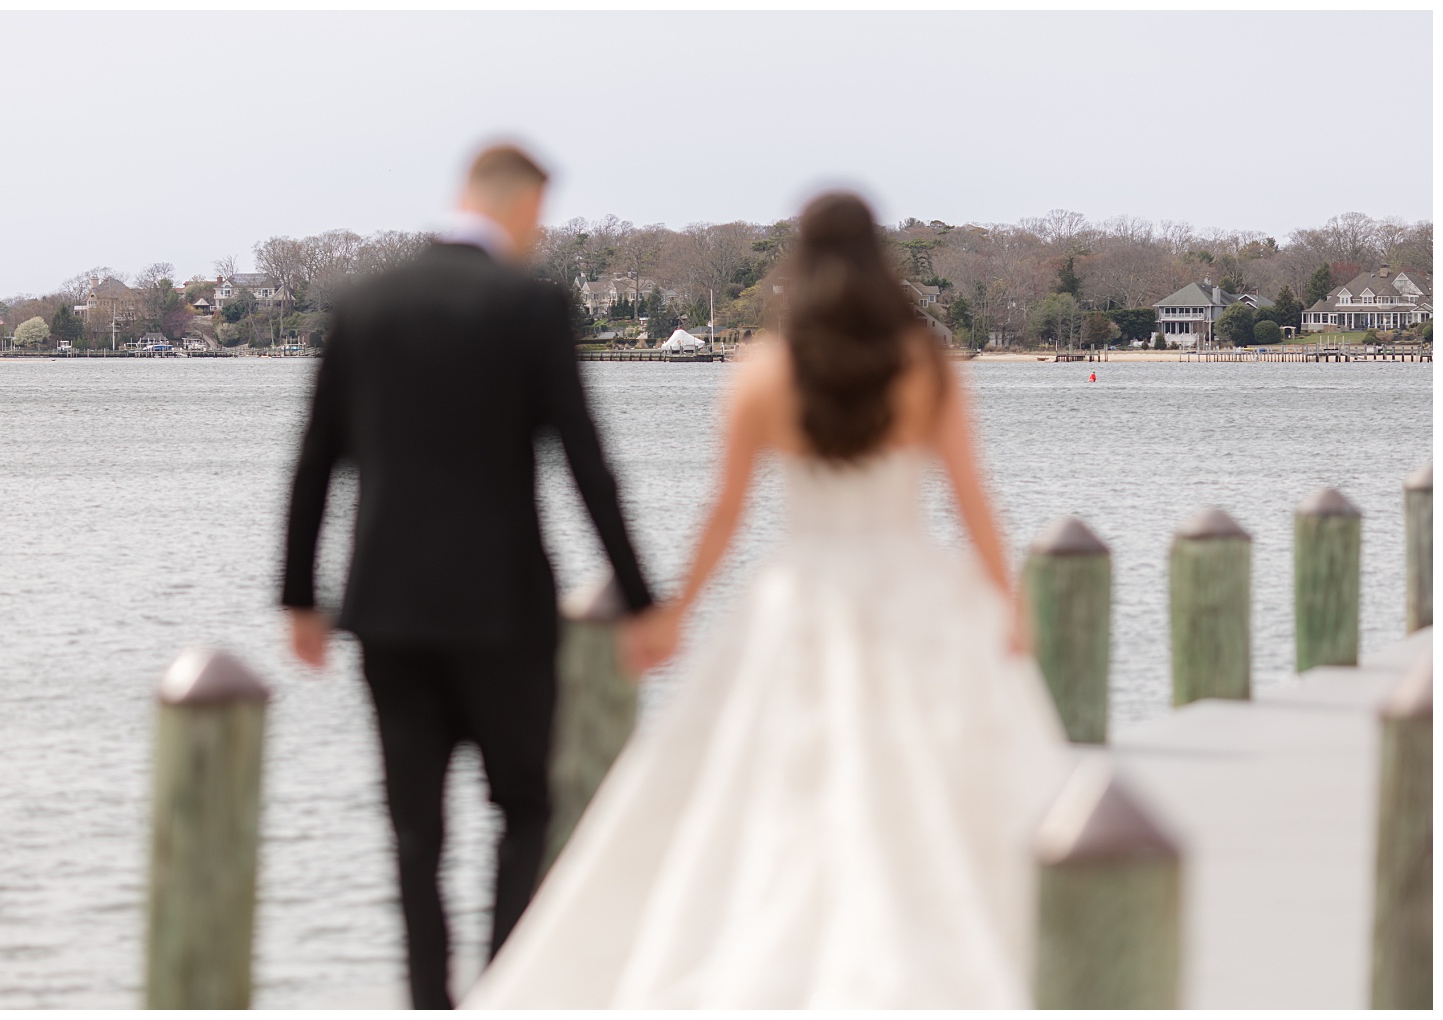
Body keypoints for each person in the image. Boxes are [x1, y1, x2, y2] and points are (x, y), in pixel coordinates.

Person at [464, 192, 1069, 1008]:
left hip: (802, 594)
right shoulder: (923, 364)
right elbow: (972, 502)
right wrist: (1009, 602)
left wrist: (674, 612)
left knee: (787, 786)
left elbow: (724, 513)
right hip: (913, 589)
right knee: (920, 784)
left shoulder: (765, 371)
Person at [281, 144, 653, 1009]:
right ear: (523, 204)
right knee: (524, 808)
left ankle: (428, 1003)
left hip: (385, 610)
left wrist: (299, 597)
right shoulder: (530, 307)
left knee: (415, 831)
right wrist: (641, 600)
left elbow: (314, 464)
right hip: (503, 611)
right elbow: (588, 467)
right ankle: (506, 991)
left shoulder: (365, 305)